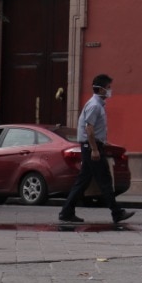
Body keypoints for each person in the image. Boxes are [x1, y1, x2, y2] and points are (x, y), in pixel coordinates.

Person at [58, 74, 134, 224]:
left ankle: (66, 211)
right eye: (108, 88)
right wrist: (94, 149)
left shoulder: (96, 105)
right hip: (91, 146)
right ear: (100, 90)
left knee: (83, 181)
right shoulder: (94, 106)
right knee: (105, 180)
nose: (110, 90)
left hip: (91, 146)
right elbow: (89, 129)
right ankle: (116, 213)